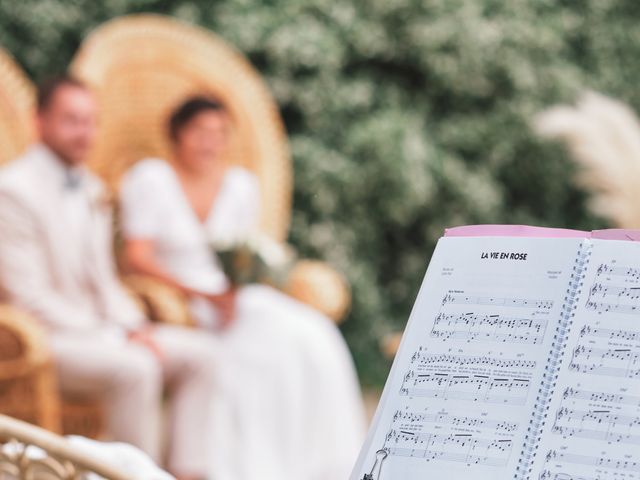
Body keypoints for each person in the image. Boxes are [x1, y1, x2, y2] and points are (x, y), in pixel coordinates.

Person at [119, 96, 367, 480]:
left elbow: (244, 256)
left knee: (313, 333)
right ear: (177, 134)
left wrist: (236, 289)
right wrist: (201, 295)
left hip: (237, 295)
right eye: (200, 132)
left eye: (219, 133)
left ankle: (319, 462)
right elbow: (137, 256)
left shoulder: (240, 185)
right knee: (250, 356)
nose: (210, 142)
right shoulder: (151, 178)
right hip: (180, 297)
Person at [0, 76, 219, 480]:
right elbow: (29, 297)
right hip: (47, 338)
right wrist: (112, 335)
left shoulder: (91, 188)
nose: (84, 133)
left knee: (202, 355)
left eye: (90, 121)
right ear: (39, 120)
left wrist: (135, 325)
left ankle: (187, 474)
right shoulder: (12, 190)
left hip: (103, 331)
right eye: (72, 120)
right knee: (136, 368)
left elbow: (105, 282)